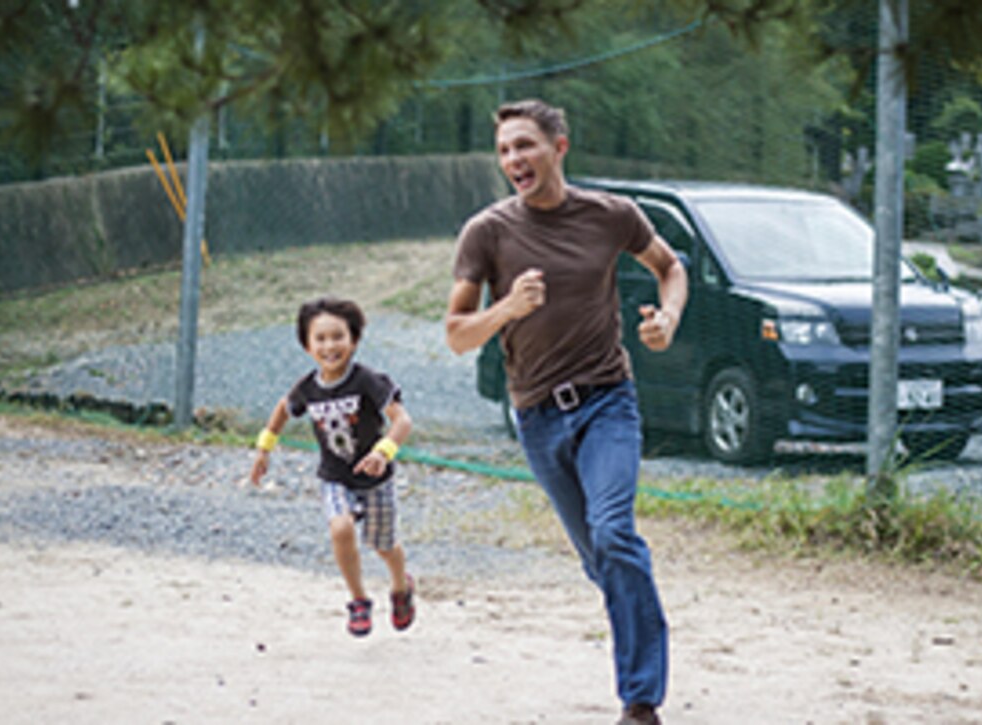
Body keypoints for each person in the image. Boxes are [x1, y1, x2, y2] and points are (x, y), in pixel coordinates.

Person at [445, 99, 688, 725]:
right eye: (504, 151)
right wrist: (506, 310)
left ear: (559, 146)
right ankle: (640, 619)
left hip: (608, 401)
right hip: (536, 416)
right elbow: (456, 333)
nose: (513, 160)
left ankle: (641, 702)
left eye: (524, 145)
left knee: (613, 534)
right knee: (602, 561)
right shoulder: (487, 232)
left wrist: (668, 318)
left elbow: (670, 268)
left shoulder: (612, 215)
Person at [250, 296, 415, 637]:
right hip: (335, 479)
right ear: (307, 346)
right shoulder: (307, 388)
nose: (330, 346)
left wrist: (383, 452)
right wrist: (264, 449)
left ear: (353, 340)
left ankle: (401, 587)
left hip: (375, 480)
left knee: (384, 545)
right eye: (320, 339)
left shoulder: (368, 380)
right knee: (340, 528)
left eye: (338, 337)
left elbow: (402, 420)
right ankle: (359, 600)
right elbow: (284, 408)